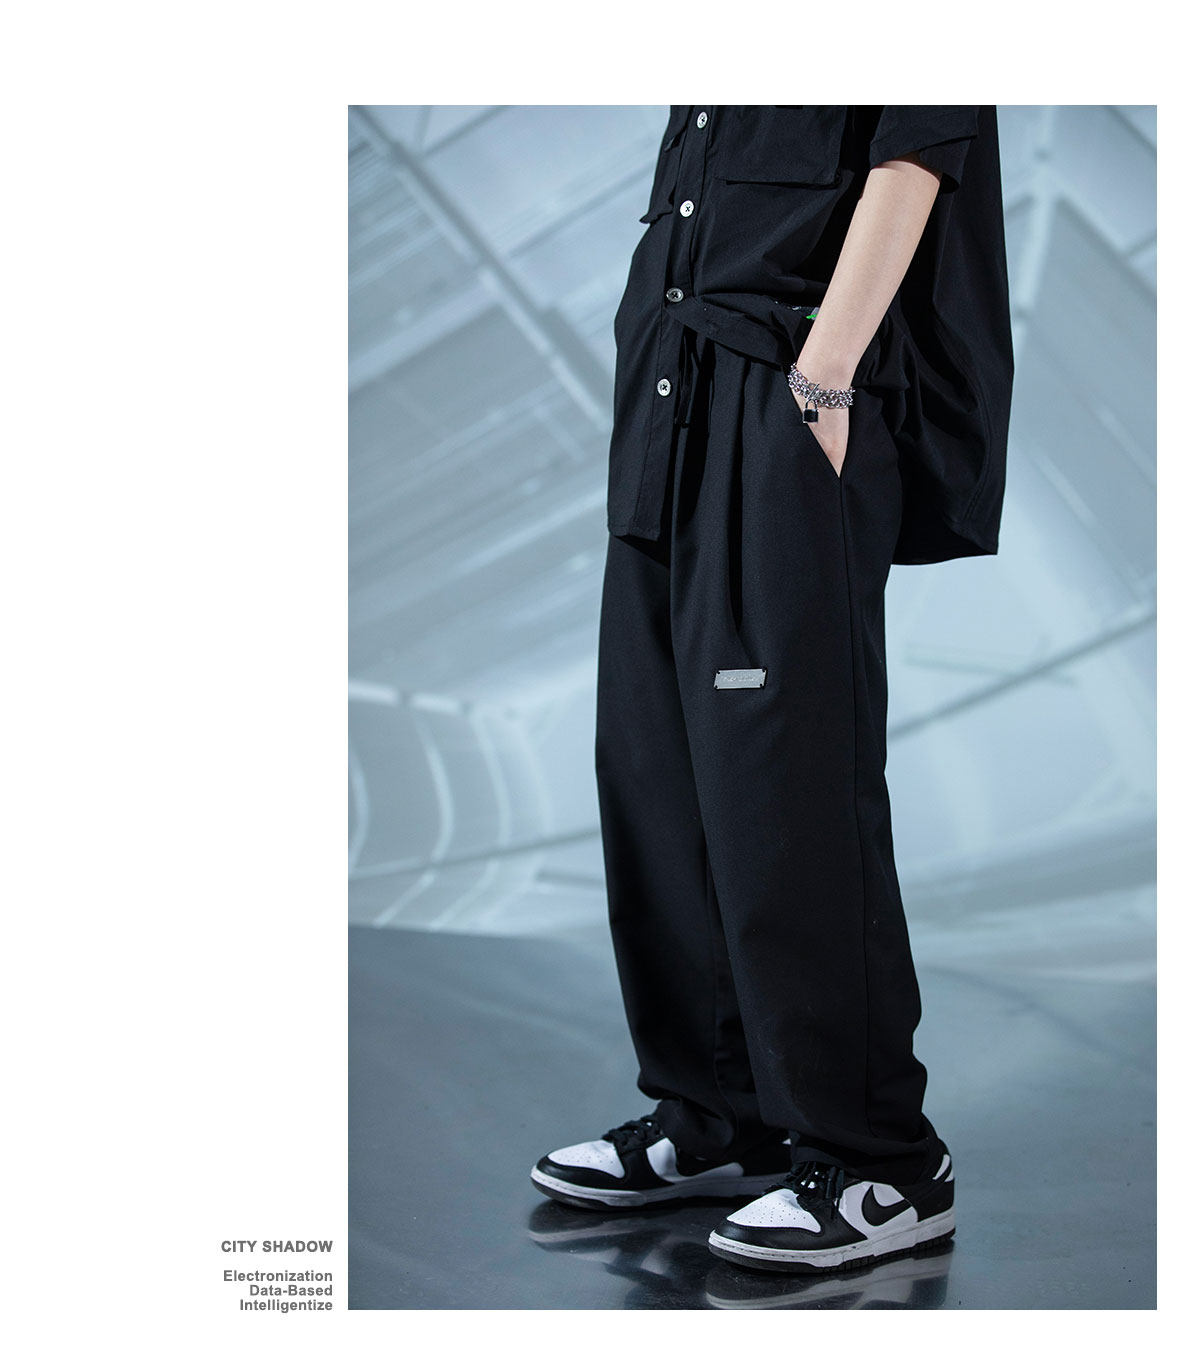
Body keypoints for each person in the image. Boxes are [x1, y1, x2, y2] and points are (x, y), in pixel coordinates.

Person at [530, 105, 1014, 1275]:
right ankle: (717, 1113)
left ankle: (882, 1158)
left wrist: (825, 382)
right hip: (671, 397)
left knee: (785, 784)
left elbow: (915, 157)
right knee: (656, 772)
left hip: (780, 397)